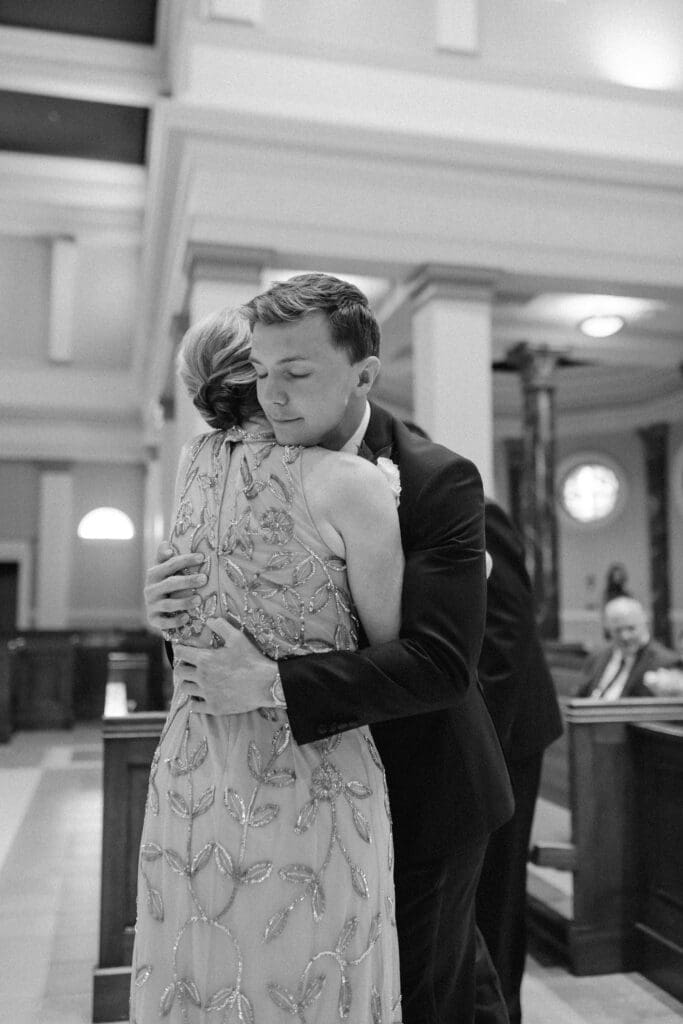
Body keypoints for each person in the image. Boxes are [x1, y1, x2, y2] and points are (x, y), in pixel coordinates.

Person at [145, 273, 514, 1024]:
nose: (272, 396)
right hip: (290, 792)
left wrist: (272, 682)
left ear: (362, 376)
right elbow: (229, 648)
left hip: (422, 779)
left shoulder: (434, 479)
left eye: (296, 374)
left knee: (425, 992)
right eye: (260, 372)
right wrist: (168, 618)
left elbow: (443, 663)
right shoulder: (218, 468)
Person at [131, 305, 405, 1023]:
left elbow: (191, 611)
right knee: (309, 975)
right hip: (311, 769)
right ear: (261, 376)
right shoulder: (350, 482)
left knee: (201, 969)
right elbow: (394, 648)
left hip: (193, 764)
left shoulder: (192, 468)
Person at [474, 500, 563, 1024]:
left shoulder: (477, 512)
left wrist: (480, 744)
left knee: (499, 892)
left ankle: (505, 1011)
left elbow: (507, 633)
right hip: (483, 732)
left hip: (509, 736)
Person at [577, 595, 682, 699]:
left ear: (644, 623)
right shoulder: (597, 657)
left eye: (631, 628)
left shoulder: (666, 662)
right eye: (618, 630)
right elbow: (578, 697)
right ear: (608, 629)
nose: (625, 636)